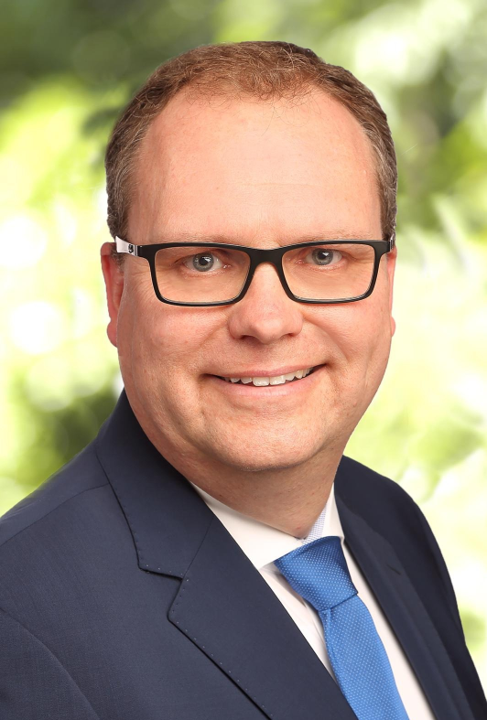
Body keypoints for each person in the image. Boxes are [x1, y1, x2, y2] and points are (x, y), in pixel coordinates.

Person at [0, 41, 485, 720]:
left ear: (385, 281)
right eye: (202, 261)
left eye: (323, 255)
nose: (266, 320)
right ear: (117, 292)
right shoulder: (19, 627)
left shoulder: (388, 523)